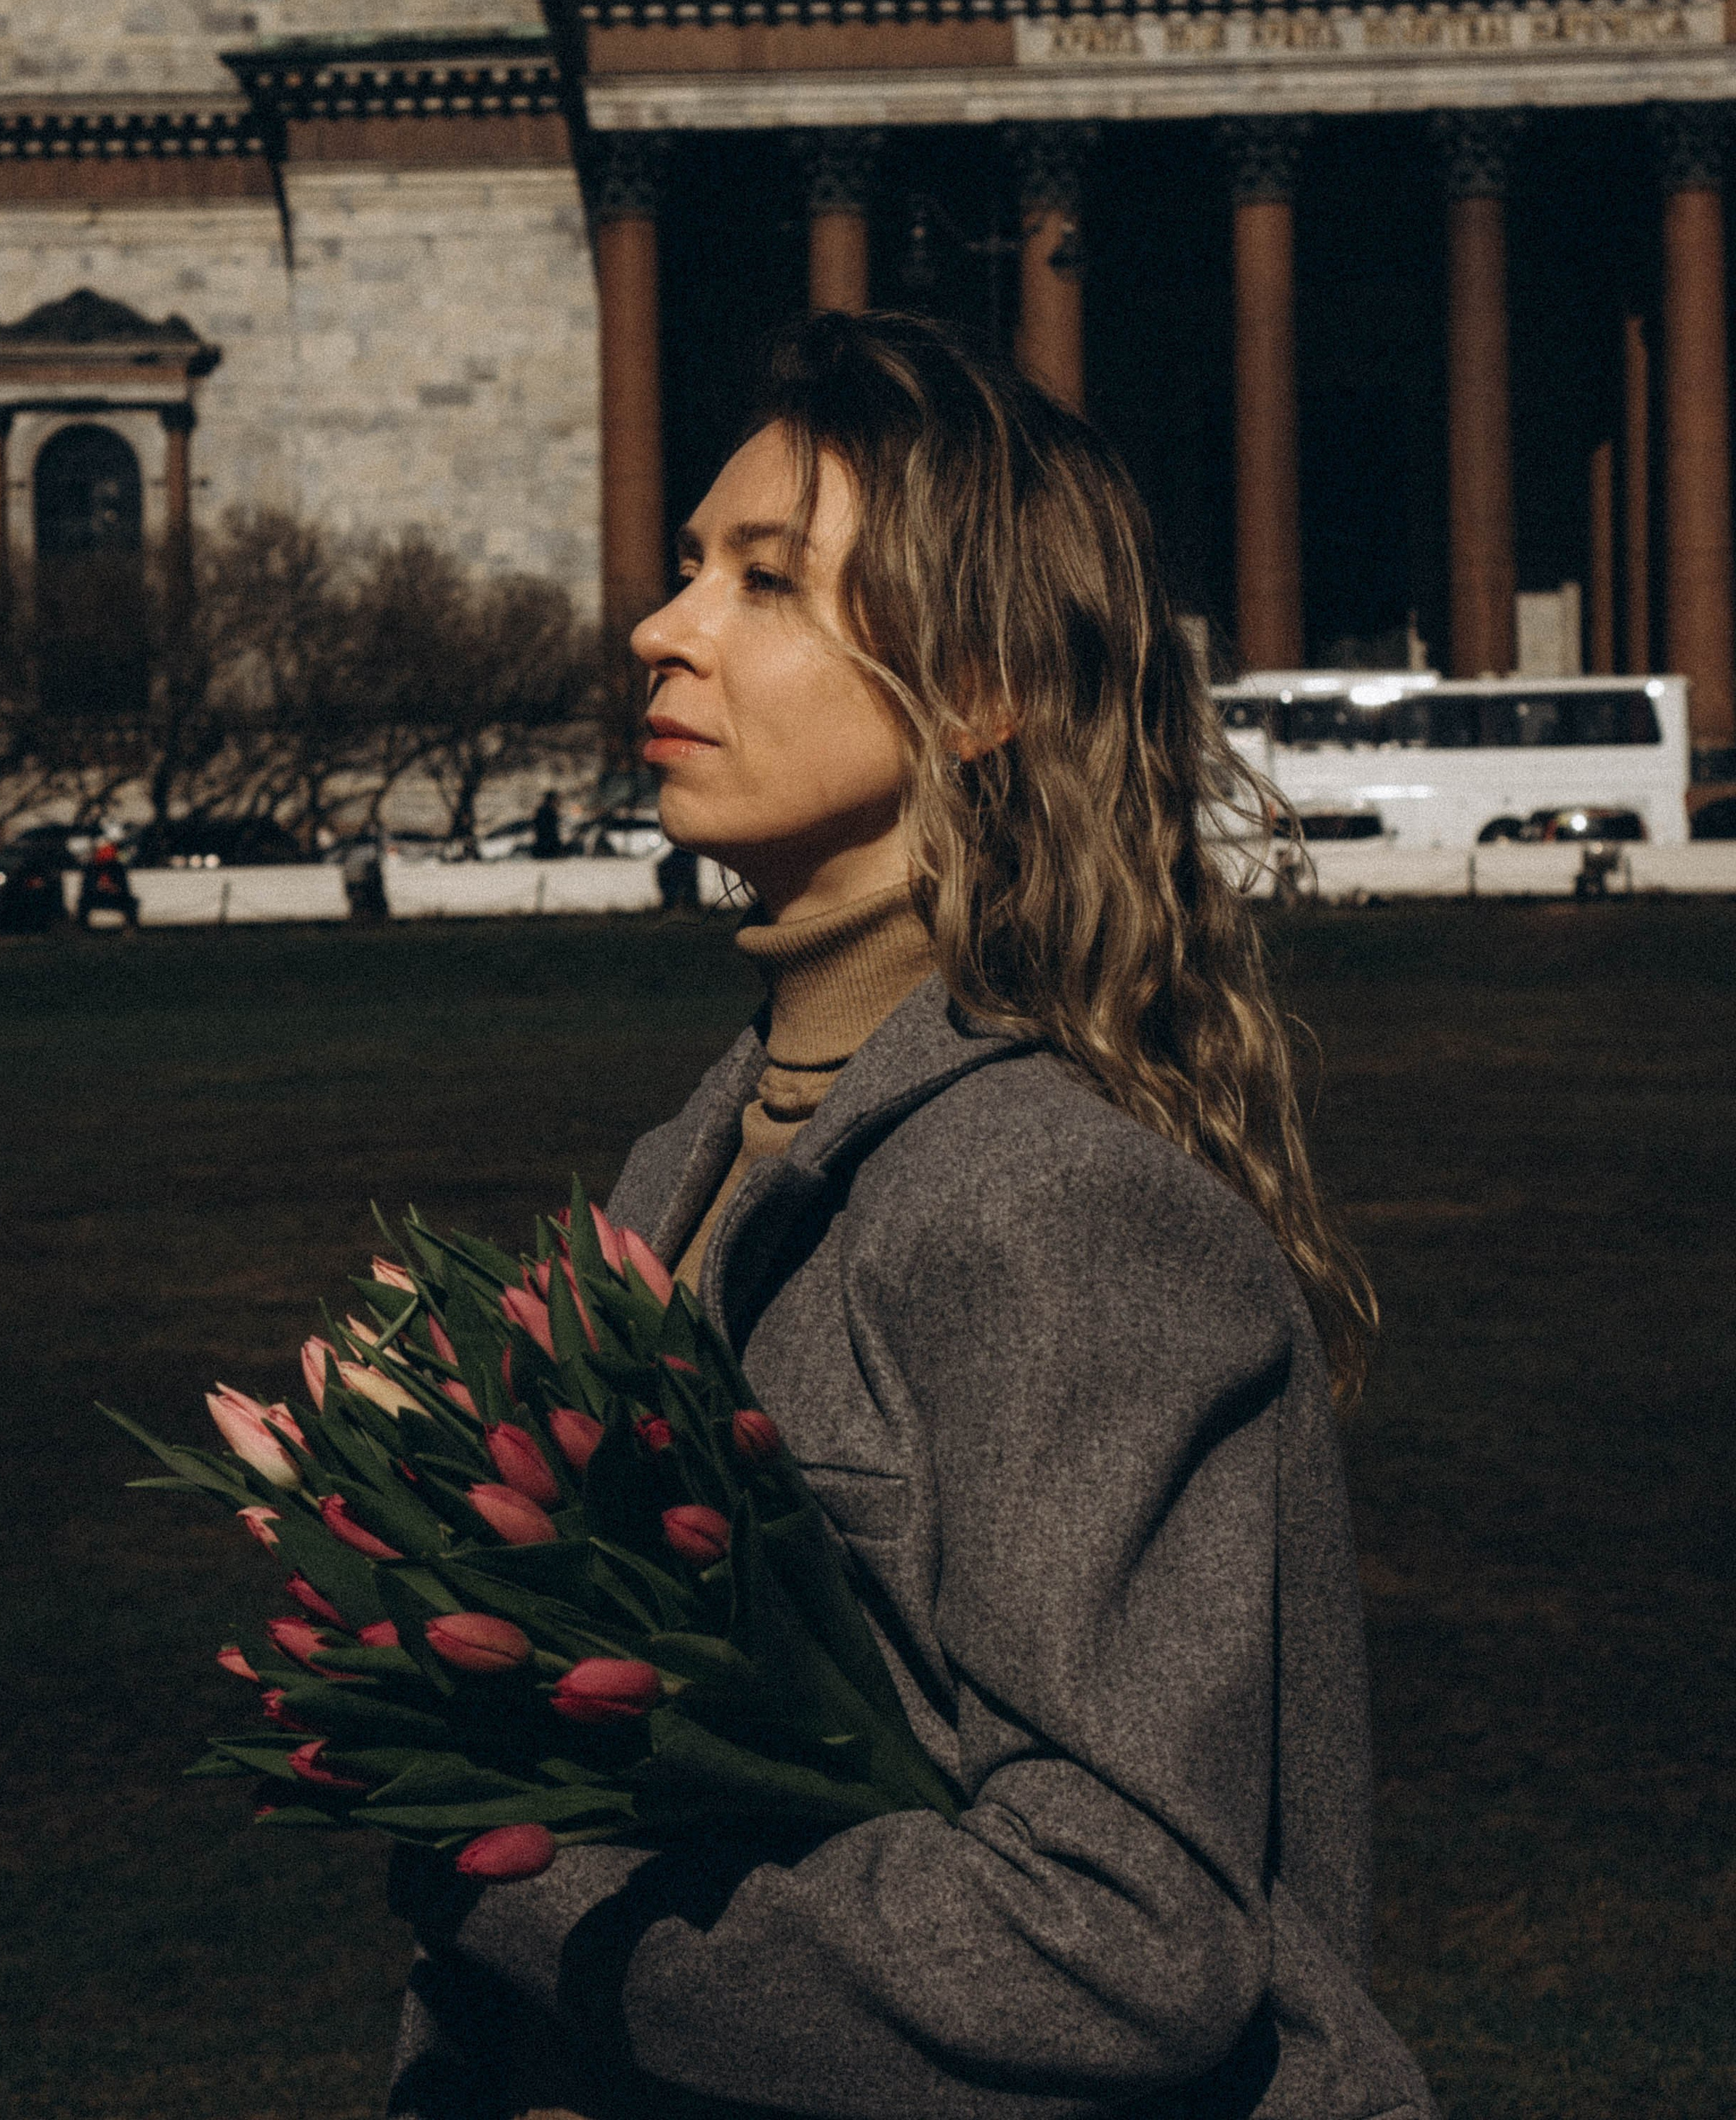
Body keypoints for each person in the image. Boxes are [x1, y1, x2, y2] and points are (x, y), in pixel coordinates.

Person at [388, 313, 1434, 2120]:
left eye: (764, 582)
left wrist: (504, 1872)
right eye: (687, 565)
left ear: (972, 694)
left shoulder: (1054, 1212)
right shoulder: (682, 1160)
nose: (661, 623)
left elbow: (1115, 1939)